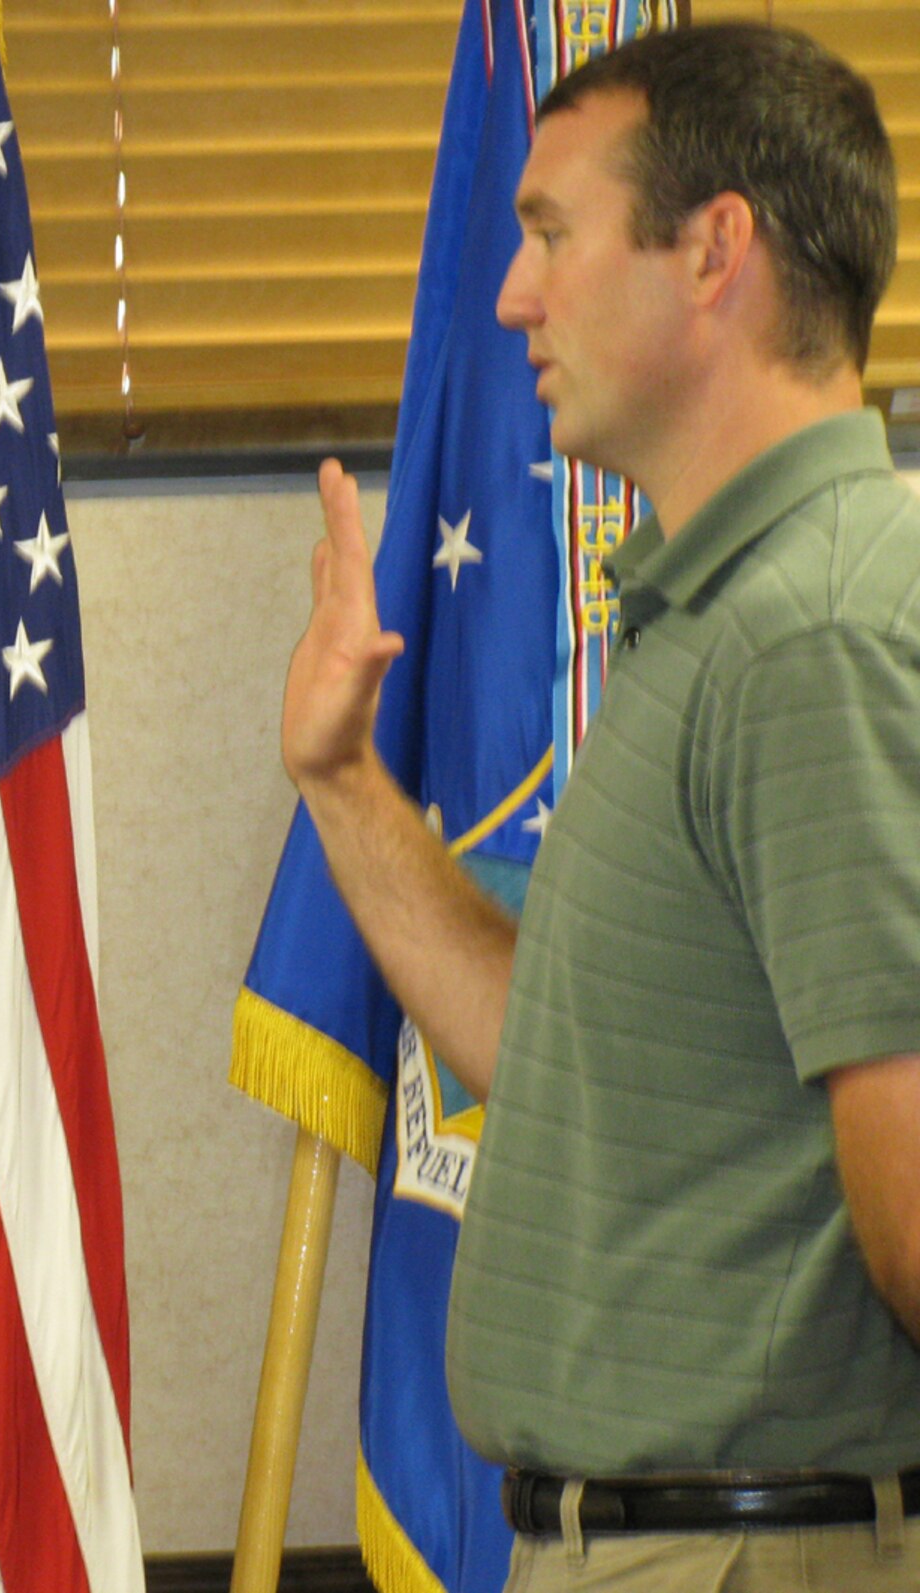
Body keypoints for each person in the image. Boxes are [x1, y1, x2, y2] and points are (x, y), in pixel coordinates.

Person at [281, 22, 917, 1592]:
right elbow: (565, 1061)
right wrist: (343, 780)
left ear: (714, 251)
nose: (512, 294)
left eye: (554, 232)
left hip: (754, 1551)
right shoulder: (719, 618)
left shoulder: (816, 631)